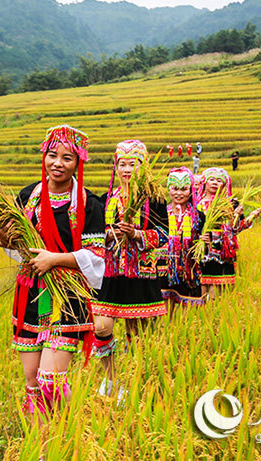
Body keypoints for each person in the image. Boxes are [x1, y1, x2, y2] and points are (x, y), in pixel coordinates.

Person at [0, 124, 105, 421]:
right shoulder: (28, 196)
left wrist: (54, 259)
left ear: (78, 162)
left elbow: (96, 258)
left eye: (67, 158)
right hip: (31, 295)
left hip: (67, 298)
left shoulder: (90, 204)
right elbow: (16, 248)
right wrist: (2, 237)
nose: (58, 163)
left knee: (51, 383)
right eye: (52, 155)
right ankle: (43, 442)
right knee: (32, 385)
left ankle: (73, 428)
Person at [91, 140, 168, 397]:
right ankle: (111, 378)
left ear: (143, 167)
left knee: (138, 333)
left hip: (140, 273)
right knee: (102, 327)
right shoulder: (105, 200)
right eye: (121, 164)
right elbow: (93, 235)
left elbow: (163, 235)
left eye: (132, 164)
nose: (126, 169)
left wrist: (136, 234)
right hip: (111, 274)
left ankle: (134, 381)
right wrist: (109, 235)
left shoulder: (154, 200)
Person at [196, 167, 260, 300]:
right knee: (200, 290)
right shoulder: (197, 204)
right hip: (202, 252)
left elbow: (235, 229)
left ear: (225, 184)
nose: (214, 183)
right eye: (211, 179)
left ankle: (215, 315)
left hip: (222, 253)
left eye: (219, 180)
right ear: (205, 183)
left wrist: (246, 217)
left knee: (217, 294)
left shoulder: (231, 204)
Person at [159, 167, 206, 315]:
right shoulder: (161, 214)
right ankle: (166, 337)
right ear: (169, 189)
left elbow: (205, 247)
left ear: (191, 190)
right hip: (164, 269)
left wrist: (204, 241)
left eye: (184, 189)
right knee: (165, 314)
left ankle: (183, 336)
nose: (179, 193)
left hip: (189, 269)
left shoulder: (199, 216)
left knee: (188, 315)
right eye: (175, 189)